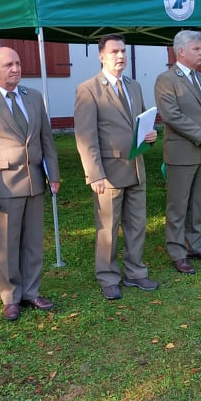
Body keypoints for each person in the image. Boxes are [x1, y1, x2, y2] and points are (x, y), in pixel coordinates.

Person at [0, 47, 61, 321]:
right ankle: (11, 297)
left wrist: (53, 174)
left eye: (17, 63)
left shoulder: (33, 97)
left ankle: (31, 291)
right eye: (8, 65)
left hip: (34, 182)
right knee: (7, 244)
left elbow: (46, 140)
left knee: (33, 242)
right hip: (3, 184)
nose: (15, 69)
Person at [74, 34, 159, 300]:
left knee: (137, 225)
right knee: (107, 228)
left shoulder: (133, 86)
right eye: (114, 52)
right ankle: (108, 276)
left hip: (136, 167)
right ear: (101, 56)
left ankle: (135, 272)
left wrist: (150, 135)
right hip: (108, 172)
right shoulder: (88, 89)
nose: (120, 56)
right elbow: (85, 137)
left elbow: (142, 121)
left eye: (123, 51)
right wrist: (95, 173)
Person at [154, 30, 201, 274]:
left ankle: (194, 245)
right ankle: (177, 251)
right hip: (182, 154)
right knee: (178, 205)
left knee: (196, 203)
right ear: (181, 51)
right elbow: (172, 115)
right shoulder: (166, 79)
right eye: (197, 49)